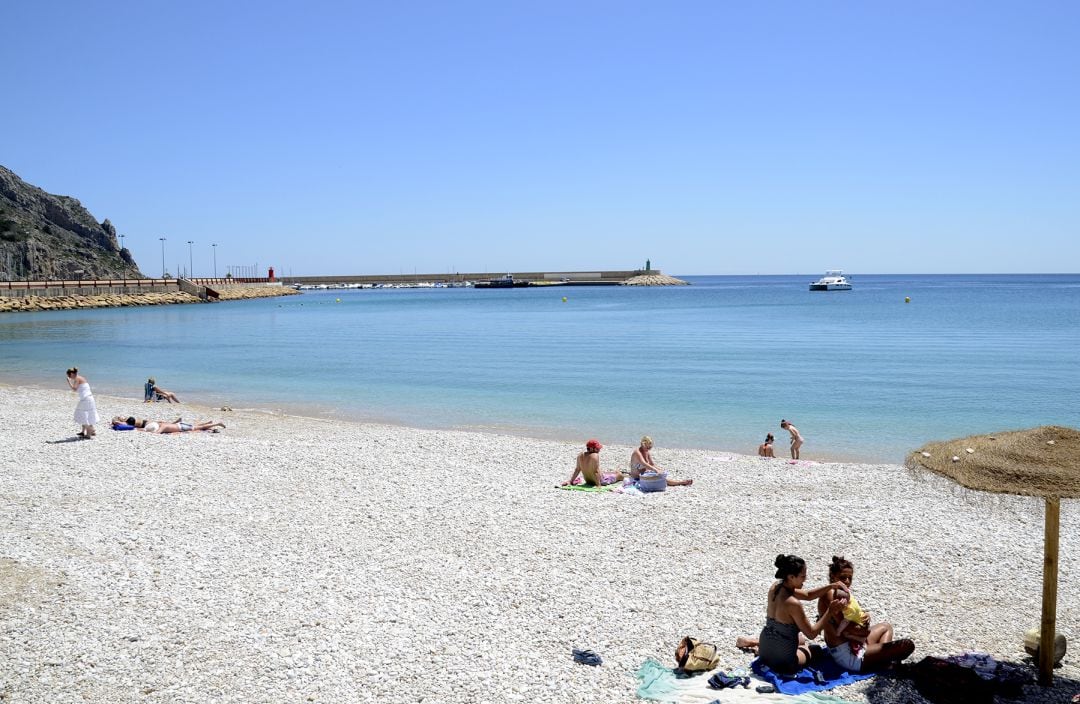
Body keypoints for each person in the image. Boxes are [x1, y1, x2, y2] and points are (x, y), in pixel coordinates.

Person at [816, 556, 915, 672]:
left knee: (886, 627)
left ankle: (885, 660)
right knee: (907, 645)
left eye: (850, 578)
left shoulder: (841, 593)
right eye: (843, 578)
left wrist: (865, 616)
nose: (847, 582)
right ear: (833, 577)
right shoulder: (830, 594)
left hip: (854, 644)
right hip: (849, 655)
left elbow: (852, 616)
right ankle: (886, 661)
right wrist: (864, 630)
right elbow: (847, 628)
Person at [757, 554, 844, 674]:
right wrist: (830, 611)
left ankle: (752, 642)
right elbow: (812, 633)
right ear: (791, 577)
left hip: (764, 650)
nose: (805, 579)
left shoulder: (775, 587)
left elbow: (808, 595)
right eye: (803, 576)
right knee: (816, 649)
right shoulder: (793, 604)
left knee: (801, 640)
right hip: (784, 661)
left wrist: (830, 586)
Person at [66, 367, 98, 438]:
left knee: (80, 414)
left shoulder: (77, 379)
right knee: (86, 414)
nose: (69, 377)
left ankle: (89, 432)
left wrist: (69, 382)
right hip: (88, 398)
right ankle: (84, 432)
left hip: (86, 399)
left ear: (71, 374)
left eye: (69, 376)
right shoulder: (81, 378)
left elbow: (74, 389)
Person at [140, 419, 226, 433]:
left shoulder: (162, 427)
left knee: (200, 428)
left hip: (181, 428)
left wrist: (145, 431)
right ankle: (208, 423)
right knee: (197, 426)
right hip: (179, 424)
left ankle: (217, 423)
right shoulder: (161, 424)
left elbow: (157, 433)